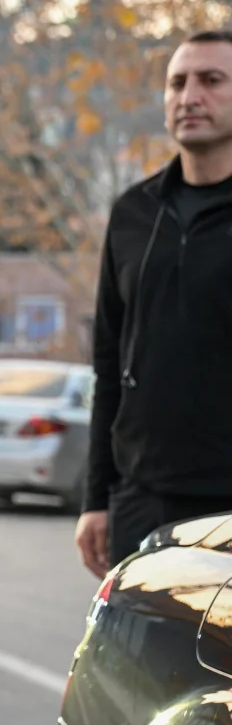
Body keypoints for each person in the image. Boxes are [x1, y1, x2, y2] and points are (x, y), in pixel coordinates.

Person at [75, 29, 232, 576]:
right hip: (142, 503)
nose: (190, 97)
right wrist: (98, 499)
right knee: (134, 663)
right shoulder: (133, 214)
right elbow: (108, 365)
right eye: (177, 83)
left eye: (212, 81)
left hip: (228, 507)